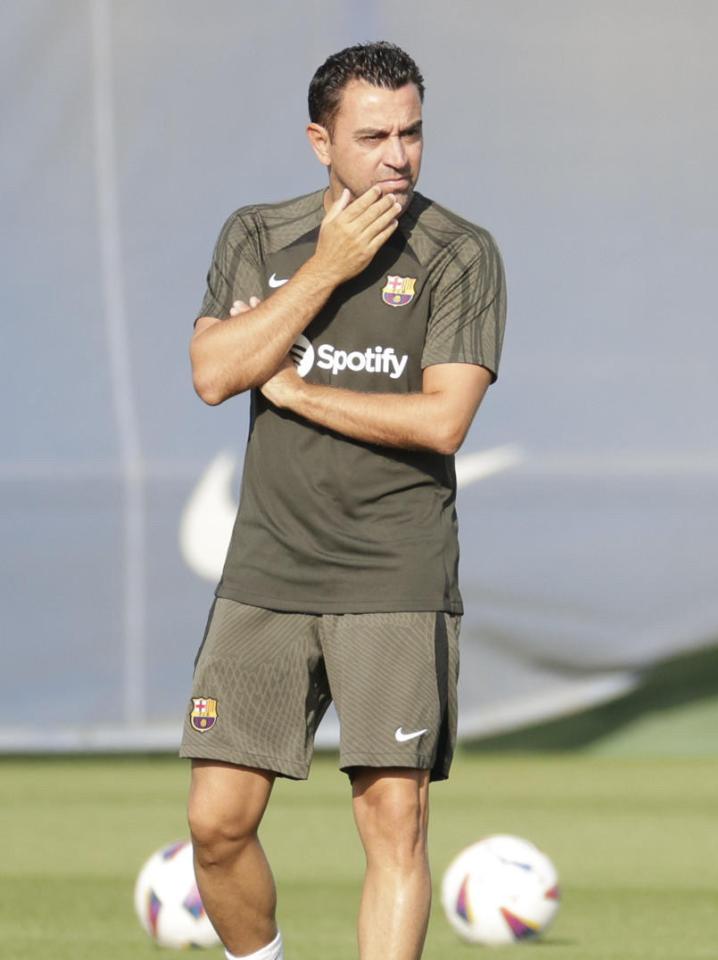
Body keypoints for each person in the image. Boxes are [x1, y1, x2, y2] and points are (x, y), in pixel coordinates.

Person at [180, 41, 504, 960]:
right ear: (321, 142)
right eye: (373, 137)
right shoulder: (258, 236)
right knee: (216, 824)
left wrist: (295, 390)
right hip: (268, 570)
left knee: (393, 821)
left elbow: (443, 421)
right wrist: (325, 268)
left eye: (411, 133)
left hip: (394, 573)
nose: (398, 156)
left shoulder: (460, 253)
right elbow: (213, 373)